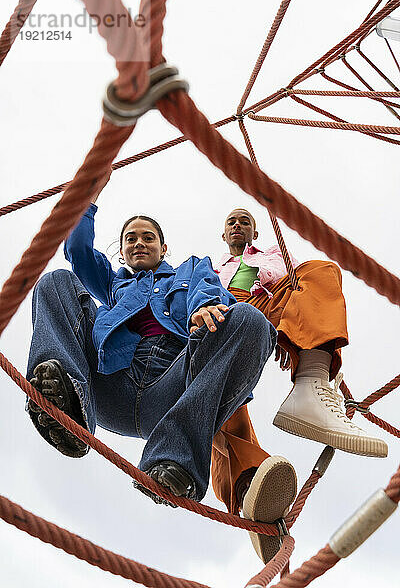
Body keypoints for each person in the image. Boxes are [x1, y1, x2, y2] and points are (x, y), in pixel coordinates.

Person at [25, 199, 297, 560]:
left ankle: (173, 462)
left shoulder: (190, 269)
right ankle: (67, 402)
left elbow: (209, 289)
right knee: (56, 280)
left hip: (169, 388)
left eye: (148, 238)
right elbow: (76, 250)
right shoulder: (112, 285)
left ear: (163, 248)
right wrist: (87, 197)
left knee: (249, 320)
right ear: (121, 253)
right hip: (111, 385)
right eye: (131, 239)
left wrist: (202, 307)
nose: (139, 243)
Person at [211, 208, 388, 555]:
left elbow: (287, 281)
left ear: (255, 233)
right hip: (223, 314)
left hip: (264, 301)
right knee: (217, 391)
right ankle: (251, 492)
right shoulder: (211, 269)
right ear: (223, 234)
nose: (237, 225)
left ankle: (312, 379)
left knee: (320, 271)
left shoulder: (271, 254)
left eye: (245, 221)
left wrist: (284, 334)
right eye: (231, 221)